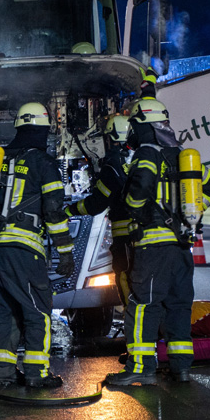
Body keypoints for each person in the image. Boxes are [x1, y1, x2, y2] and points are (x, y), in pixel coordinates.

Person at [106, 98, 210, 386]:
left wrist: (137, 210)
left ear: (142, 125)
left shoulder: (147, 152)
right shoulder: (181, 155)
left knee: (143, 304)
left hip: (153, 246)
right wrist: (194, 210)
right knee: (178, 306)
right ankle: (181, 368)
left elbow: (140, 187)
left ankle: (140, 367)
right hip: (181, 246)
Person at [0, 102, 75, 388]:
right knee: (37, 310)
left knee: (3, 311)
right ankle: (37, 373)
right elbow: (54, 211)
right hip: (23, 249)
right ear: (43, 131)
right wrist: (65, 252)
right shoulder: (44, 163)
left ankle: (1, 373)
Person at [66, 114, 135, 304]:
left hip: (125, 237)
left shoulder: (112, 166)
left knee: (126, 278)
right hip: (149, 235)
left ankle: (134, 317)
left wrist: (70, 210)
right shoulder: (142, 158)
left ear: (112, 138)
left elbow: (97, 204)